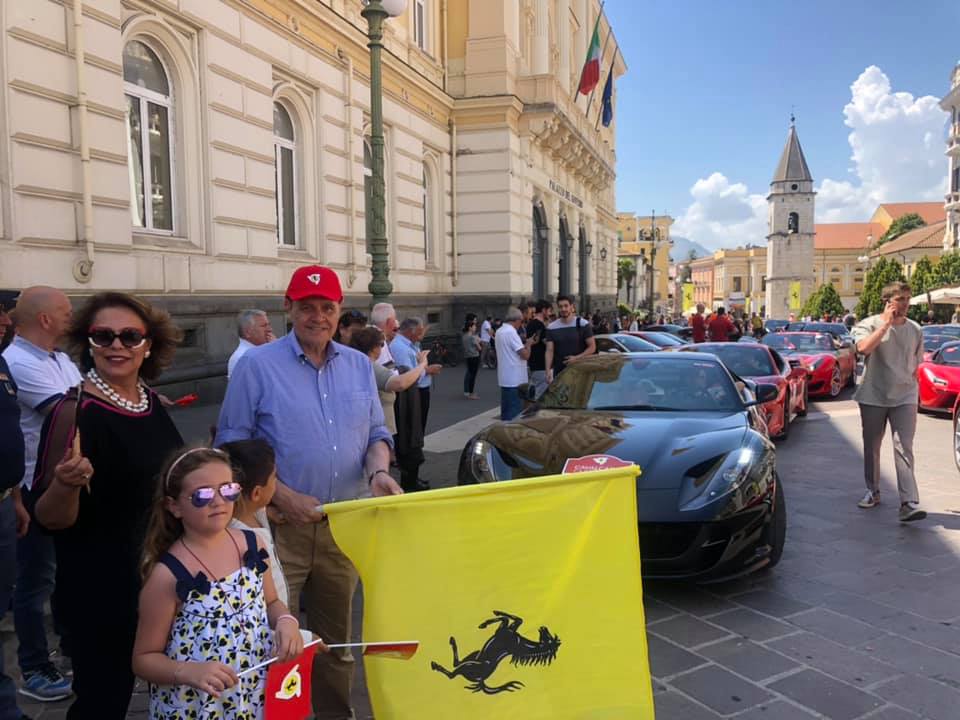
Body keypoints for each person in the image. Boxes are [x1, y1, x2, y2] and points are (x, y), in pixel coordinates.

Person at [216, 265, 399, 720]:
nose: (317, 316)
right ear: (288, 308)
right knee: (276, 642)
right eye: (307, 307)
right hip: (278, 533)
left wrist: (378, 472)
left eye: (327, 307)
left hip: (344, 529)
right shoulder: (256, 367)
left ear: (339, 312)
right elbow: (230, 446)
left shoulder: (359, 366)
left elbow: (377, 431)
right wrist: (280, 496)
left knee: (338, 647)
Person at [30, 292, 184, 718]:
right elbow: (49, 518)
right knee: (103, 701)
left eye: (130, 336)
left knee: (171, 692)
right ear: (88, 343)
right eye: (104, 336)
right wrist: (65, 484)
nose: (117, 345)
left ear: (148, 345)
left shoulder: (149, 401)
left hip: (158, 580)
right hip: (100, 589)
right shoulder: (74, 411)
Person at [132, 447, 307, 718]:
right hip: (197, 705)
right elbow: (144, 658)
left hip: (253, 694)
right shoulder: (167, 575)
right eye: (202, 495)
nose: (218, 501)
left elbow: (271, 602)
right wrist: (186, 671)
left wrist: (287, 622)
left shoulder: (252, 543)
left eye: (228, 490)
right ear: (174, 506)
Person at [2, 286, 80, 703]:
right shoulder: (16, 362)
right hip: (32, 488)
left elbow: (87, 400)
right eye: (66, 311)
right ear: (45, 319)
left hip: (63, 484)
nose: (73, 317)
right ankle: (33, 668)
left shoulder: (61, 359)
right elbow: (70, 410)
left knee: (62, 572)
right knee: (34, 583)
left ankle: (66, 649)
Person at [851, 282, 926, 522]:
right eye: (900, 299)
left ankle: (908, 502)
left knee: (904, 446)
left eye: (907, 298)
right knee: (872, 446)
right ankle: (872, 491)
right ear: (888, 301)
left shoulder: (915, 329)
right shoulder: (868, 324)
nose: (905, 304)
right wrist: (885, 325)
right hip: (873, 394)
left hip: (905, 395)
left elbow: (916, 363)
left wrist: (912, 389)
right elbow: (863, 348)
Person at [0, 290, 32, 720]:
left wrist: (17, 497)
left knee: (2, 615)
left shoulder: (3, 364)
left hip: (6, 504)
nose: (4, 321)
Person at [351, 326, 429, 492]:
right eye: (381, 344)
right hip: (378, 429)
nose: (383, 348)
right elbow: (400, 383)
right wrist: (422, 365)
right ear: (374, 347)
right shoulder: (367, 365)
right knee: (378, 470)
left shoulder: (362, 364)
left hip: (383, 428)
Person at [221, 439, 288, 606]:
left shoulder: (255, 511)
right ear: (257, 493)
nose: (275, 482)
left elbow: (255, 505)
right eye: (274, 478)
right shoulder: (245, 542)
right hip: (269, 625)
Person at [390, 318, 441, 434]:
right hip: (414, 392)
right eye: (419, 332)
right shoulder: (400, 348)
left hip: (419, 390)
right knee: (414, 428)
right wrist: (428, 370)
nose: (420, 335)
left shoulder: (409, 343)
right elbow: (408, 375)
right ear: (410, 332)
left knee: (418, 425)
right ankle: (414, 449)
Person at [544, 295, 596, 384]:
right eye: (560, 307)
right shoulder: (551, 327)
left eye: (566, 306)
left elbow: (592, 347)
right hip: (560, 374)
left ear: (572, 307)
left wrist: (576, 358)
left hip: (581, 372)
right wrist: (548, 370)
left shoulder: (583, 324)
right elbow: (549, 350)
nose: (563, 309)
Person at [496, 308, 536, 421]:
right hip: (515, 379)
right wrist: (528, 344)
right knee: (514, 415)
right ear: (517, 320)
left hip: (505, 377)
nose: (521, 324)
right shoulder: (511, 333)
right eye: (522, 321)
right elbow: (525, 355)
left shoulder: (500, 331)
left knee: (506, 412)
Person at [227, 310, 275, 379]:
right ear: (247, 332)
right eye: (264, 326)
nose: (270, 329)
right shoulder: (242, 357)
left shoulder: (264, 350)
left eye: (269, 325)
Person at [525, 300, 552, 398]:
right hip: (541, 365)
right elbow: (548, 344)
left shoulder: (531, 324)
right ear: (544, 310)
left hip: (534, 363)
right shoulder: (539, 325)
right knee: (541, 395)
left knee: (535, 392)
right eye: (549, 311)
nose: (550, 313)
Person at [461, 317, 482, 399]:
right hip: (474, 356)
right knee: (473, 375)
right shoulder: (472, 337)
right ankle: (471, 393)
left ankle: (468, 392)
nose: (475, 327)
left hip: (468, 356)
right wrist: (478, 342)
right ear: (470, 328)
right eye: (474, 326)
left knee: (470, 374)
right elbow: (479, 348)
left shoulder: (464, 336)